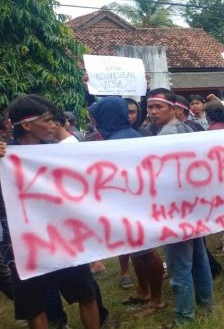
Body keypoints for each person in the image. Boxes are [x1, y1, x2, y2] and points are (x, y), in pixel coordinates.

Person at [3, 95, 101, 329]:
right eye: (47, 120)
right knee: (35, 306)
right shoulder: (5, 156)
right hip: (24, 244)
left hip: (65, 238)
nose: (53, 125)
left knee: (86, 294)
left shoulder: (57, 155)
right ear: (26, 125)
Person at [89, 96, 167, 316]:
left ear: (107, 116)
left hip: (136, 205)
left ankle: (157, 299)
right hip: (127, 204)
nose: (93, 120)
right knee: (135, 251)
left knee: (147, 252)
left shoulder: (123, 140)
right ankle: (143, 291)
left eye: (97, 115)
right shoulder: (120, 136)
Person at [146, 88, 213, 325]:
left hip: (176, 209)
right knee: (198, 258)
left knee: (179, 265)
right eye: (150, 107)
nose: (153, 112)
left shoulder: (165, 137)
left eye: (158, 107)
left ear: (174, 108)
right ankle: (206, 305)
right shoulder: (188, 128)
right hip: (193, 205)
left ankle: (185, 317)